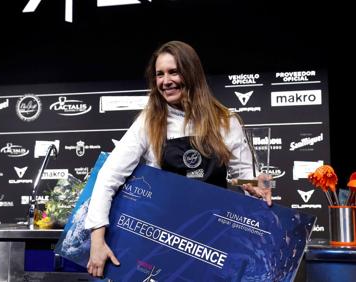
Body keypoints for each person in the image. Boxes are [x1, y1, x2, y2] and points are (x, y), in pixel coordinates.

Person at [84, 40, 272, 277]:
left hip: (214, 244)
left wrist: (263, 185)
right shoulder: (148, 123)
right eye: (159, 75)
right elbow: (107, 177)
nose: (165, 81)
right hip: (161, 243)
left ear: (192, 73)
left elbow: (248, 180)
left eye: (174, 72)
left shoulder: (226, 121)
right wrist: (97, 240)